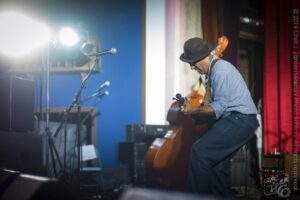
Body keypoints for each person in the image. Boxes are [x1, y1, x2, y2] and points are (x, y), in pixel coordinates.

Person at [179, 37, 259, 197]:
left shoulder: (220, 70)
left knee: (199, 152)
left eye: (193, 62)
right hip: (239, 120)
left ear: (205, 57)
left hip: (240, 120)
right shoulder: (211, 72)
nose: (192, 66)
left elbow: (219, 108)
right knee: (217, 167)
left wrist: (193, 110)